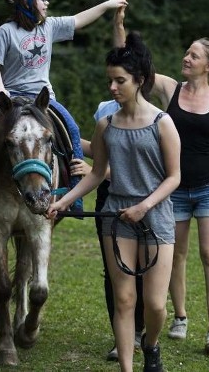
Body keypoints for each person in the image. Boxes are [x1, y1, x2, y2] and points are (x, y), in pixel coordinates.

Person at [115, 13, 209, 355]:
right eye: (187, 53)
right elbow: (130, 67)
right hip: (172, 190)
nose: (186, 58)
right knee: (175, 255)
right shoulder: (168, 88)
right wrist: (119, 28)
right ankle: (180, 316)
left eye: (193, 55)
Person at [47, 32, 181, 372]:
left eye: (119, 80)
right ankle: (127, 368)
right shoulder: (106, 125)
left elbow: (174, 177)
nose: (112, 87)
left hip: (155, 216)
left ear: (139, 80)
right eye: (110, 80)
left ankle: (150, 345)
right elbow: (97, 174)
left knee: (154, 304)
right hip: (116, 217)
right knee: (124, 299)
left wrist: (144, 206)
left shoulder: (162, 124)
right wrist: (64, 201)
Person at [0, 0, 128, 209]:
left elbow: (79, 19)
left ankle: (75, 188)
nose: (47, 3)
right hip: (10, 98)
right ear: (27, 2)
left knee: (71, 127)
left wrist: (108, 4)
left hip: (42, 100)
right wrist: (0, 91)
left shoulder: (49, 27)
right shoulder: (6, 31)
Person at [85, 99, 146, 362]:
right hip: (108, 199)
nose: (113, 86)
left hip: (145, 200)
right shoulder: (104, 111)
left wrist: (97, 171)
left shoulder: (159, 113)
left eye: (119, 78)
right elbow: (99, 157)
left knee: (144, 275)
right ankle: (124, 336)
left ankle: (144, 334)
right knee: (115, 272)